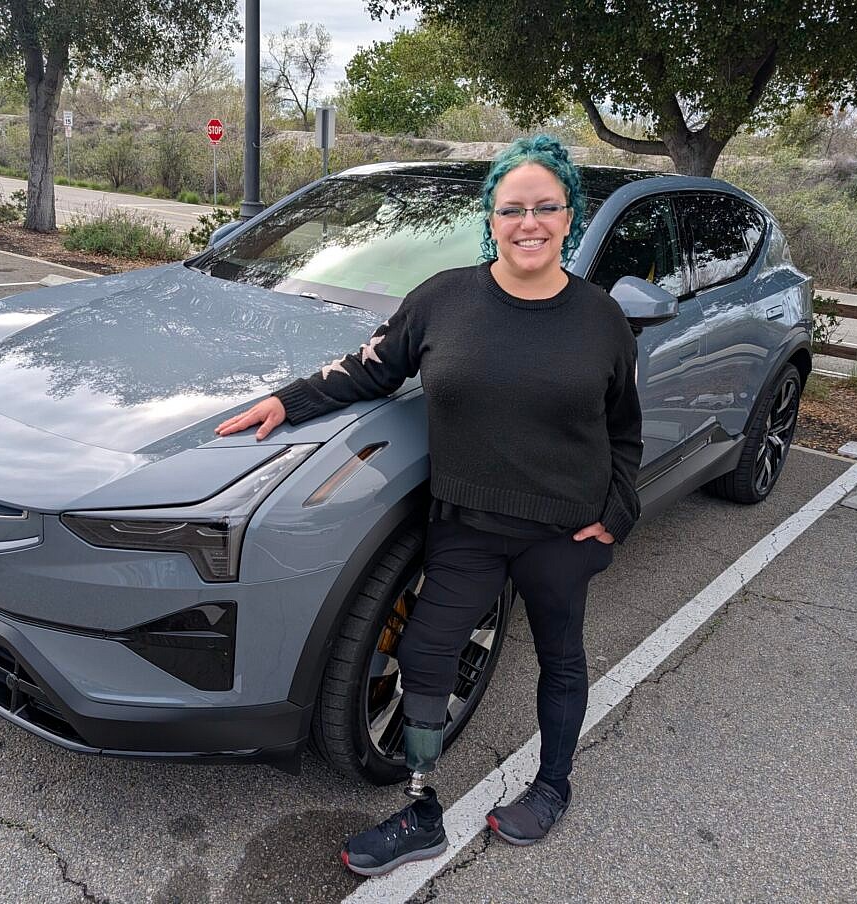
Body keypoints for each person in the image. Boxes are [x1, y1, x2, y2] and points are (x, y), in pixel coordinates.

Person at [215, 134, 643, 876]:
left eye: (546, 206)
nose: (529, 222)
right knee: (424, 653)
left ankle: (552, 786)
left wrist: (619, 507)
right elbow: (366, 371)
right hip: (467, 525)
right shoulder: (444, 299)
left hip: (562, 531)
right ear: (493, 217)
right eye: (513, 208)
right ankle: (420, 805)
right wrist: (284, 404)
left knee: (561, 660)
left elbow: (624, 427)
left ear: (568, 215)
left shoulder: (601, 318)